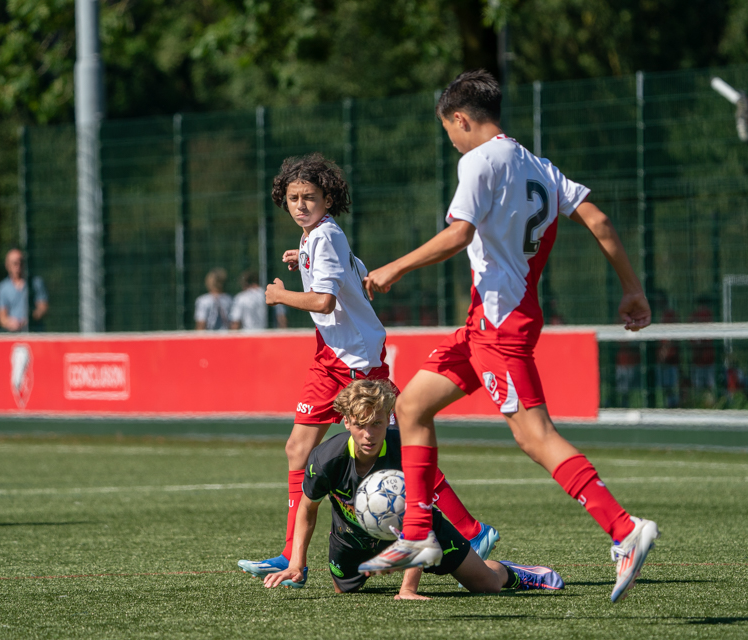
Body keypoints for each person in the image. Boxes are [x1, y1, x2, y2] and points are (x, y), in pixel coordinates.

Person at [358, 70, 659, 604]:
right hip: (490, 321)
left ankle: (623, 530)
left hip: (500, 325)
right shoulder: (538, 166)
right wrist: (632, 290)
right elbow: (601, 220)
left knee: (532, 434)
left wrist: (392, 270)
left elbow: (459, 233)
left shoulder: (477, 160)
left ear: (461, 119)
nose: (449, 139)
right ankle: (417, 534)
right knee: (411, 408)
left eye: (448, 129)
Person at [237, 153, 499, 588]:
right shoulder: (315, 238)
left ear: (328, 198)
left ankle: (472, 530)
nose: (300, 205)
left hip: (358, 362)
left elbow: (323, 301)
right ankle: (289, 555)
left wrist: (279, 296)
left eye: (310, 197)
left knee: (398, 449)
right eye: (293, 198)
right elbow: (353, 273)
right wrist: (302, 258)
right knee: (297, 449)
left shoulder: (324, 237)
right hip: (329, 356)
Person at [264, 379, 563, 598]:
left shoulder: (405, 449)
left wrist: (408, 588)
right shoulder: (326, 458)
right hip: (351, 540)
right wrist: (297, 564)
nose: (369, 434)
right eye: (360, 424)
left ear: (388, 420)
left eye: (378, 423)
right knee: (345, 593)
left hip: (422, 530)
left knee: (486, 585)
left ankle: (512, 572)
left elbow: (416, 521)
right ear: (345, 422)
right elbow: (307, 508)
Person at [0, 249, 48, 332]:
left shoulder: (36, 283)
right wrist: (10, 322)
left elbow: (43, 307)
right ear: (7, 265)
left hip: (35, 333)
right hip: (13, 336)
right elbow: (2, 316)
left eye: (21, 262)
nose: (18, 266)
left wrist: (30, 319)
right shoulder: (2, 288)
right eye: (15, 263)